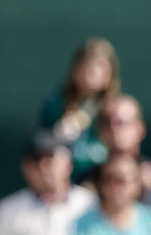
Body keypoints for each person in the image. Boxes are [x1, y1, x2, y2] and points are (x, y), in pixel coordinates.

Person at [39, 38, 120, 182]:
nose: (91, 72)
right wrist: (55, 136)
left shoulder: (115, 107)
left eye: (99, 67)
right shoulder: (56, 101)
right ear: (74, 68)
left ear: (110, 72)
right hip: (63, 180)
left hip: (103, 180)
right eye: (86, 66)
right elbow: (39, 141)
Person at [90, 95, 151, 194]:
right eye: (106, 122)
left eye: (121, 123)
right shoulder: (89, 181)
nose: (113, 128)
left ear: (140, 129)